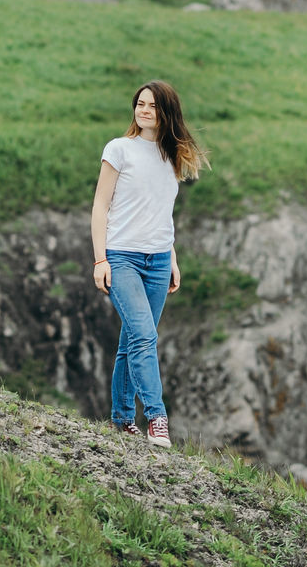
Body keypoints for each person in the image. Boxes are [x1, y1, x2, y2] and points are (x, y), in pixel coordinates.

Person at [91, 80, 208, 448]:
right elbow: (100, 207)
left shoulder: (171, 156)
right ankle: (157, 418)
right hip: (121, 257)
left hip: (157, 261)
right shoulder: (119, 149)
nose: (144, 110)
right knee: (144, 335)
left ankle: (123, 420)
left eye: (152, 106)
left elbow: (161, 213)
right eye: (140, 103)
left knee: (132, 340)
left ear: (166, 113)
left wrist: (171, 258)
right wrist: (100, 259)